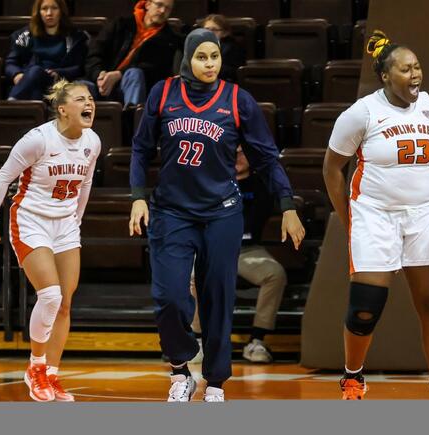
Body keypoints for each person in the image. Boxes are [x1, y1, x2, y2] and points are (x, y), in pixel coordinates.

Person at [129, 28, 304, 402]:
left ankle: (216, 381)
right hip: (172, 211)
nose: (210, 64)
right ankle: (180, 370)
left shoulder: (238, 100)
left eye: (215, 57)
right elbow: (141, 148)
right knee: (170, 296)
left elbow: (266, 158)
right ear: (187, 59)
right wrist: (138, 196)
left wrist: (287, 206)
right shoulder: (163, 93)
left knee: (217, 297)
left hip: (222, 213)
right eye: (202, 57)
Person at [323, 31, 429, 400]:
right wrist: (348, 217)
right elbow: (332, 168)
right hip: (374, 213)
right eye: (405, 69)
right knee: (366, 307)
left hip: (424, 213)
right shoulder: (361, 112)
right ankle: (353, 376)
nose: (415, 75)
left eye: (417, 67)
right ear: (385, 76)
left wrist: (422, 191)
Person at [0, 79, 100, 402]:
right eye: (81, 99)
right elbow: (4, 177)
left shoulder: (93, 141)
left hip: (65, 224)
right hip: (30, 218)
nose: (89, 103)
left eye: (90, 98)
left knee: (65, 303)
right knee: (49, 295)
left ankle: (52, 373)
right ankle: (35, 366)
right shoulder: (38, 140)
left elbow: (86, 183)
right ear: (63, 109)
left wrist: (76, 219)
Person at [190, 146, 287, 364]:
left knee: (275, 273)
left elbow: (253, 222)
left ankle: (257, 340)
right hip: (215, 247)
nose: (237, 157)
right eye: (232, 152)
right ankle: (197, 340)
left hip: (247, 249)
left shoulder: (261, 185)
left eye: (242, 152)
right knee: (195, 274)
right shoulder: (212, 181)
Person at [84, 0, 179, 107]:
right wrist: (99, 75)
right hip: (101, 82)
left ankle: (132, 118)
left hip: (135, 86)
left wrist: (119, 75)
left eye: (168, 8)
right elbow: (95, 53)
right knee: (79, 87)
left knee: (134, 74)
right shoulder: (120, 24)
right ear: (147, 4)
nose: (162, 11)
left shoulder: (169, 39)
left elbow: (153, 69)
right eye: (159, 5)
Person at [5, 0, 89, 101]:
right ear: (38, 12)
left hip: (60, 83)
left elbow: (79, 67)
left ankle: (10, 104)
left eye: (54, 8)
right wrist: (17, 74)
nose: (49, 13)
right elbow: (10, 62)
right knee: (35, 82)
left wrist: (58, 73)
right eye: (44, 9)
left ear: (61, 11)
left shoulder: (75, 36)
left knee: (35, 74)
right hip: (32, 79)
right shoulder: (25, 36)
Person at [200, 14, 246, 83]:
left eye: (214, 30)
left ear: (225, 33)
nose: (209, 33)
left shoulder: (232, 48)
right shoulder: (197, 46)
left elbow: (235, 72)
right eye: (206, 29)